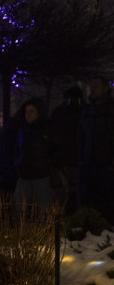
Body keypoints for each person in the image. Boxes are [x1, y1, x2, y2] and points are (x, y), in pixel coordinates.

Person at [77, 75, 114, 222]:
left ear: (105, 88)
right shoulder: (87, 110)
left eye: (96, 86)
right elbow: (80, 137)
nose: (92, 89)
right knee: (87, 200)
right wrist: (81, 160)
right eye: (91, 86)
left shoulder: (111, 109)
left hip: (107, 164)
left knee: (109, 200)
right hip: (88, 163)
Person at [12, 98, 56, 211]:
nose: (28, 114)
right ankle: (22, 228)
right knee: (19, 207)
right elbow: (17, 148)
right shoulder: (23, 129)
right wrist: (18, 163)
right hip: (24, 174)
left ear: (38, 113)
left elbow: (56, 148)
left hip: (41, 174)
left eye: (32, 111)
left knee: (44, 209)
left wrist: (48, 164)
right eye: (26, 111)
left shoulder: (47, 128)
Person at [49, 86, 83, 208]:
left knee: (63, 193)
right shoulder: (85, 111)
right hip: (77, 159)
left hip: (64, 159)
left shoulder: (58, 112)